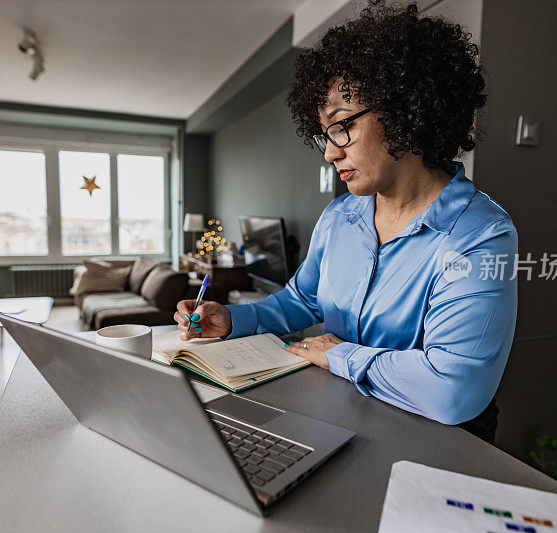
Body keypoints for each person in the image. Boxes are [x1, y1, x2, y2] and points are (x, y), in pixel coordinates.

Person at [175, 1, 517, 444]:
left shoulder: (480, 234)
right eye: (325, 134)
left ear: (405, 109)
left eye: (342, 127)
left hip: (438, 443)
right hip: (345, 416)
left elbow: (453, 389)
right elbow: (301, 301)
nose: (330, 151)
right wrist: (232, 319)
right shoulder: (339, 218)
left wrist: (341, 355)